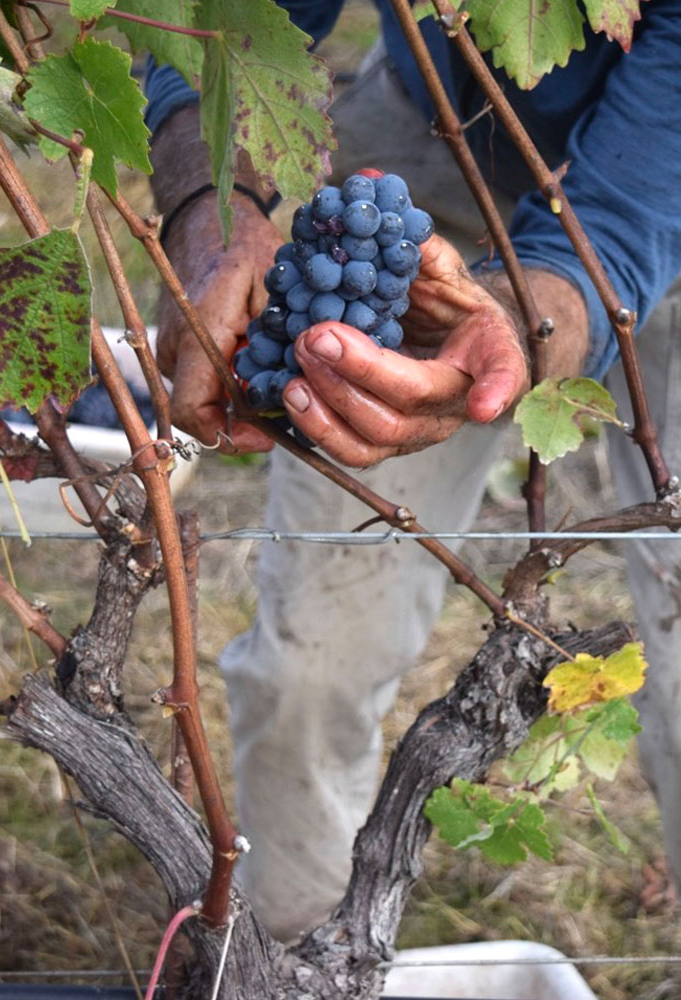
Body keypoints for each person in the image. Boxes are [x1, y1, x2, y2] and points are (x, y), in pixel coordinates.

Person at [145, 1, 681, 941]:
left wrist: (527, 326)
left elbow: (632, 210)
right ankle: (294, 955)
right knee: (319, 649)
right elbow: (215, 23)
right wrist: (210, 206)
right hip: (430, 134)